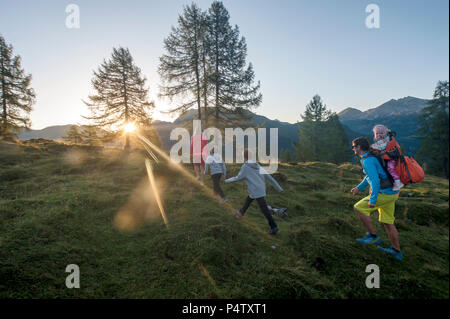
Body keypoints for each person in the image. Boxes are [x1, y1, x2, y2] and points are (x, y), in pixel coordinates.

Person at [351, 137, 403, 260]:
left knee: (358, 208)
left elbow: (375, 181)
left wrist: (373, 200)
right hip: (392, 193)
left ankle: (373, 237)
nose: (353, 149)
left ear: (358, 147)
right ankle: (396, 251)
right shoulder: (371, 157)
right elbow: (369, 176)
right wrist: (359, 187)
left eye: (353, 146)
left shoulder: (368, 160)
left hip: (384, 193)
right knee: (388, 222)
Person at [225, 149, 283, 235]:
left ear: (244, 157)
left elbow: (238, 177)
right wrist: (279, 188)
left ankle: (274, 227)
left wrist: (226, 181)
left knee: (264, 209)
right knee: (248, 199)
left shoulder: (245, 166)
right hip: (260, 189)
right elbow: (268, 176)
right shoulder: (257, 165)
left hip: (256, 190)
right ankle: (240, 213)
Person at [371, 124, 404, 191]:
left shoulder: (387, 139)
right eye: (377, 133)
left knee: (390, 168)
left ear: (386, 133)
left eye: (381, 133)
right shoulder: (382, 140)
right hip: (388, 157)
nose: (379, 135)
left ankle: (398, 182)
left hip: (392, 158)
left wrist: (371, 147)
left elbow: (381, 147)